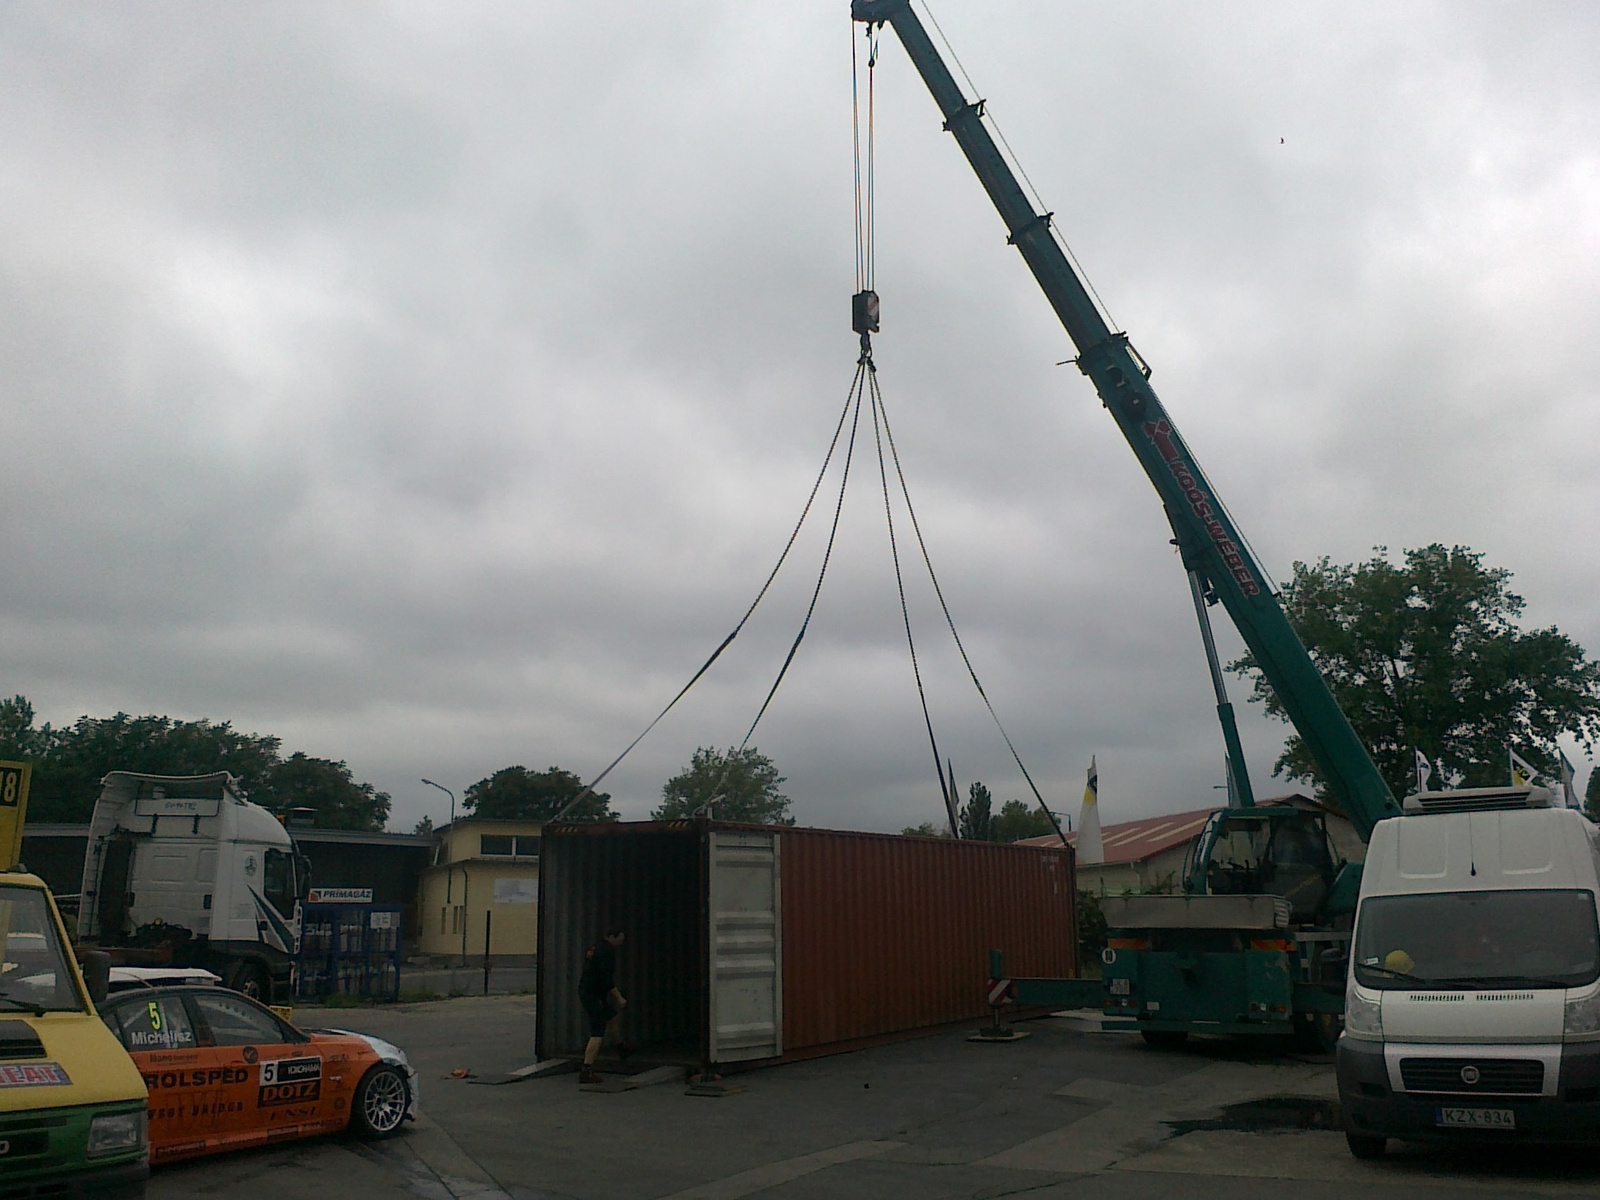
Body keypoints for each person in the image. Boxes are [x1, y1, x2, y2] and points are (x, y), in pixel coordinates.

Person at [578, 924, 627, 1085]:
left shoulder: (595, 947)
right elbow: (606, 979)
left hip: (590, 992)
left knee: (611, 1016)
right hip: (593, 995)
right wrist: (619, 997)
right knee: (598, 1031)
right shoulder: (607, 951)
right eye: (621, 938)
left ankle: (621, 1048)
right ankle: (586, 1070)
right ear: (613, 936)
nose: (622, 942)